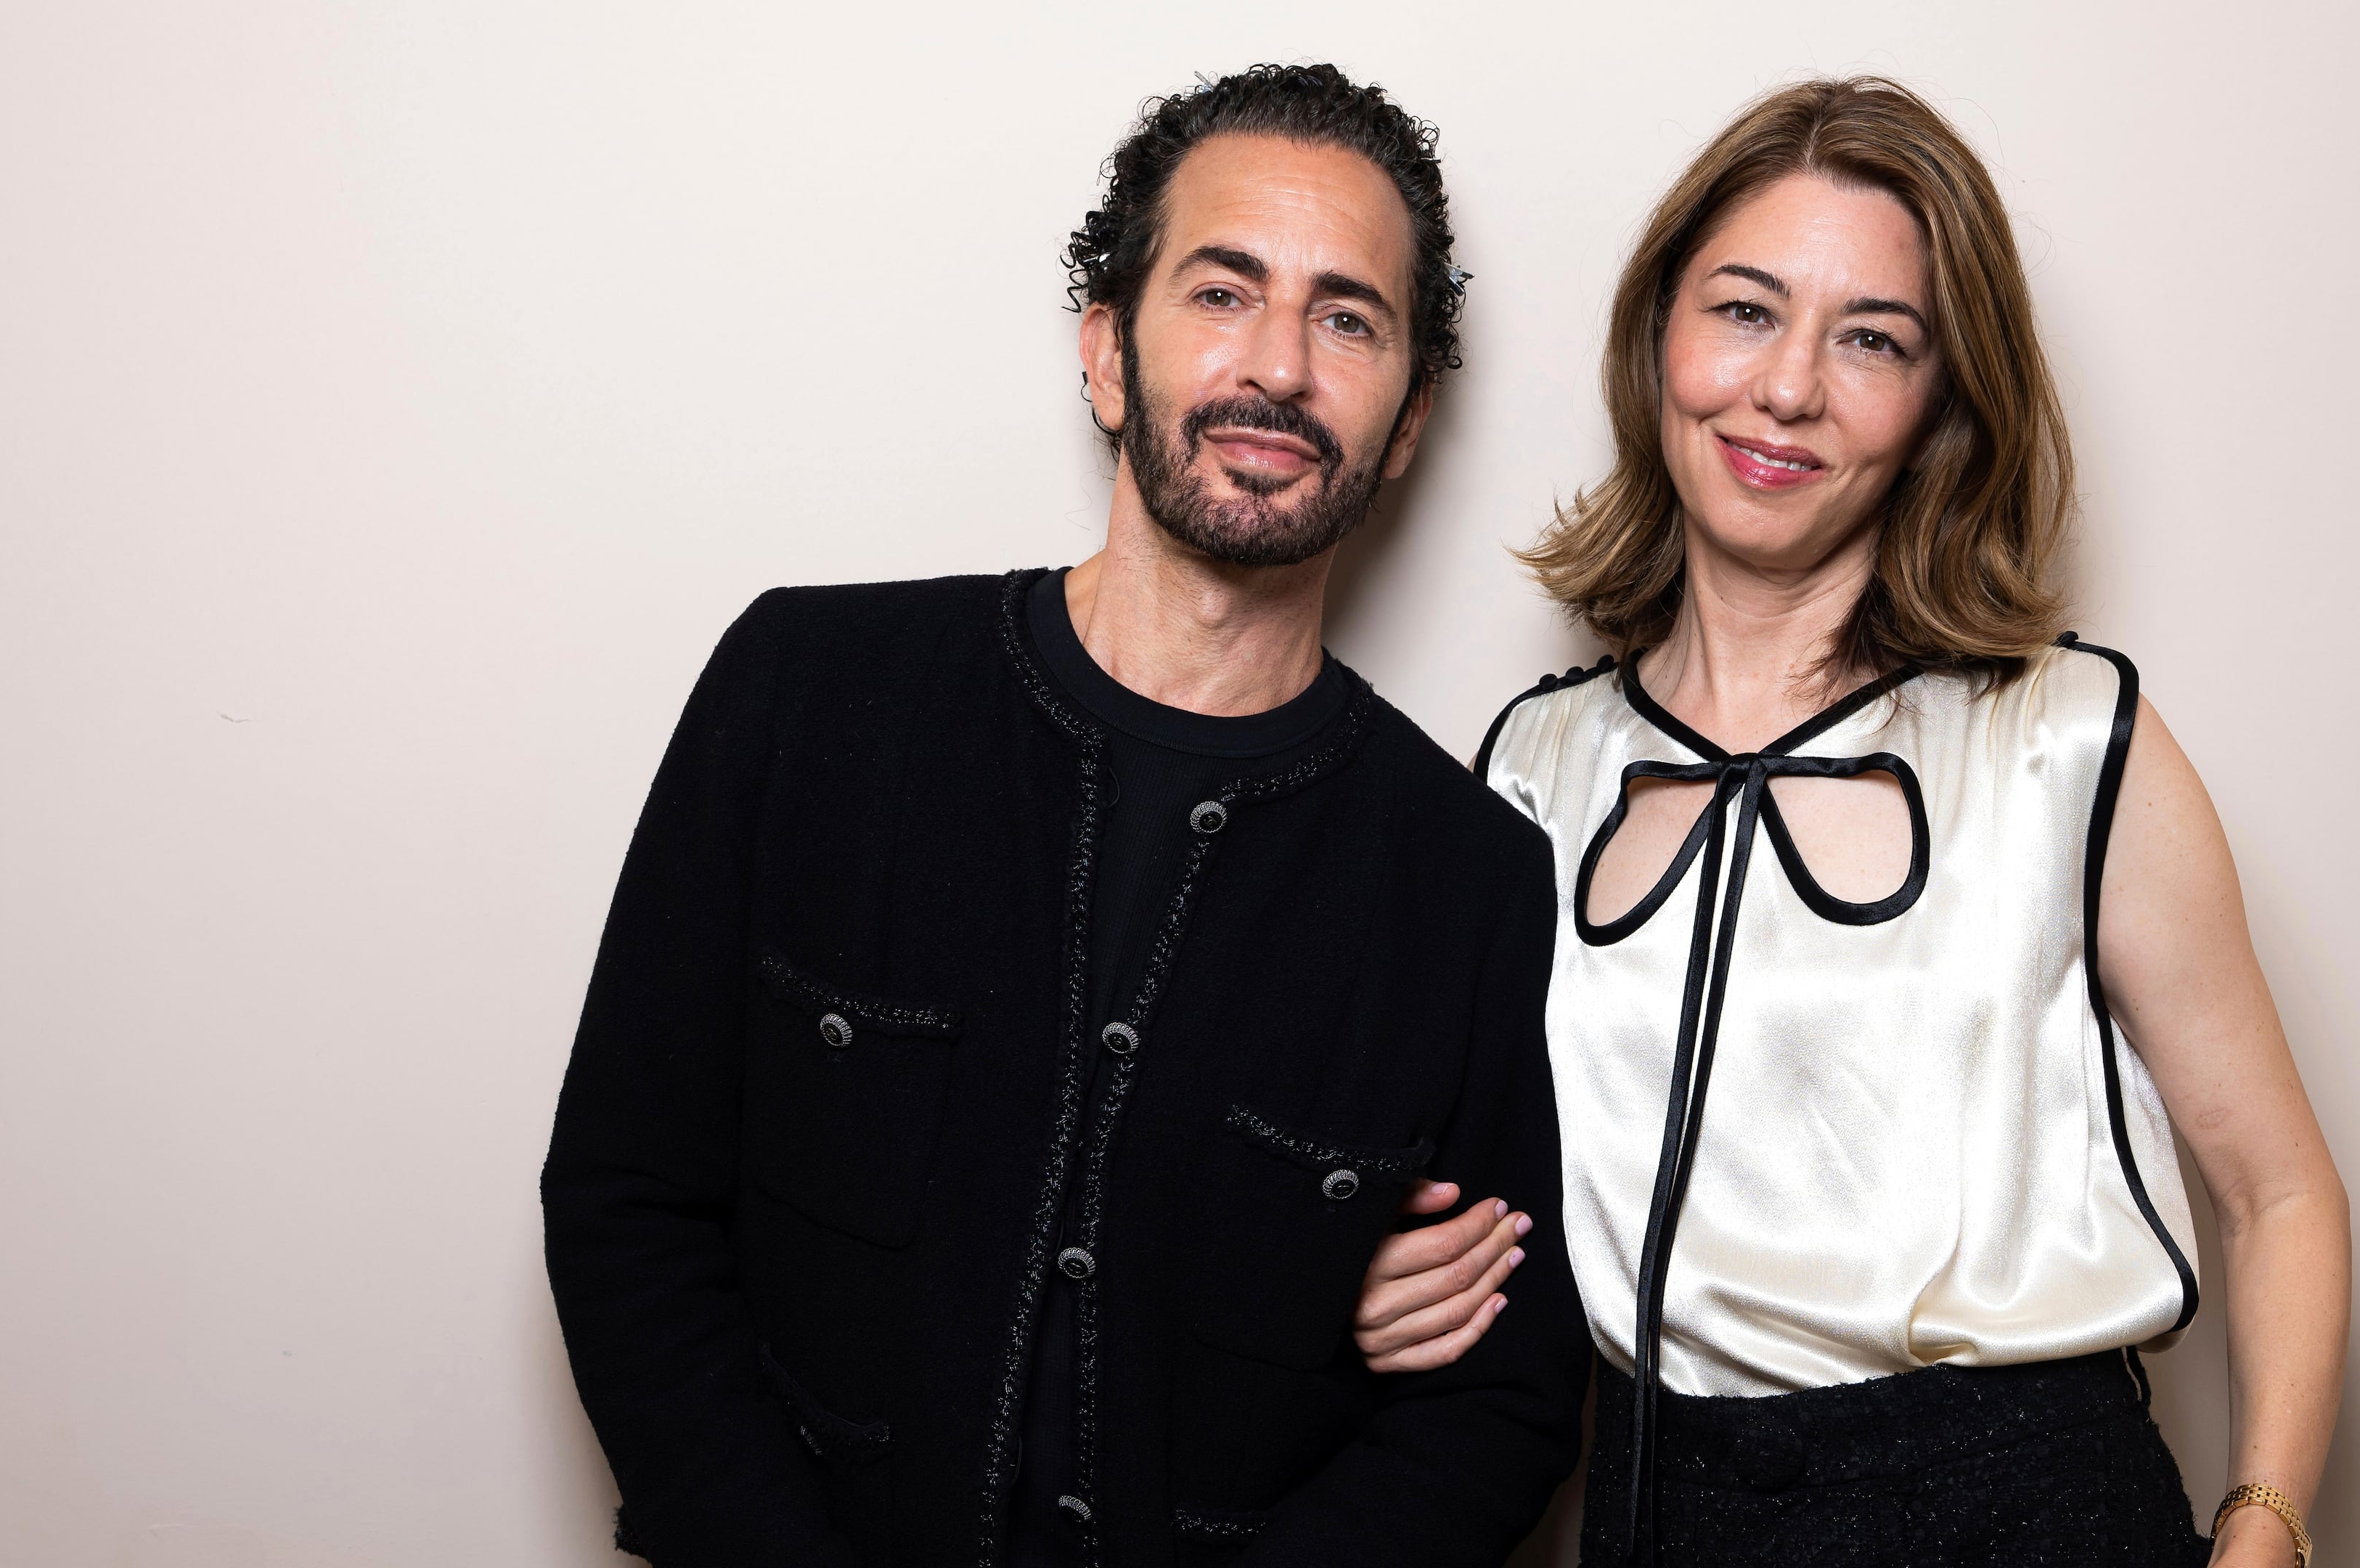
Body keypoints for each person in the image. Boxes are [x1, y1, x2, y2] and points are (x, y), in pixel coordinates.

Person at [540, 63, 1588, 1568]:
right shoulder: (807, 693)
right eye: (1223, 291)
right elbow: (629, 1203)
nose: (1280, 368)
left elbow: (1497, 1410)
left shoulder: (1470, 876)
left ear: (1410, 419)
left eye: (1348, 319)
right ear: (1108, 355)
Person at [1352, 78, 2351, 1567]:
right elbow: (1486, 1205)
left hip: (2030, 1510)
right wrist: (1380, 1281)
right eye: (1745, 311)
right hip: (1653, 1512)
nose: (1788, 389)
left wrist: (2263, 1534)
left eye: (1872, 339)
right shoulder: (1530, 770)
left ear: (1944, 402)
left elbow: (2279, 1195)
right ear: (1659, 339)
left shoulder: (2069, 742)